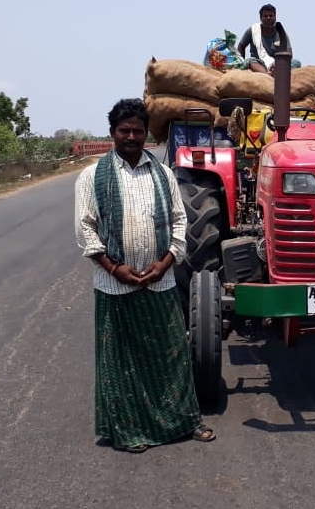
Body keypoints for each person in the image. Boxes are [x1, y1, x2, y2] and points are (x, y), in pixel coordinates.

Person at [74, 98, 215, 452]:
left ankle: (184, 421)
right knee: (122, 361)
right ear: (113, 133)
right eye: (125, 131)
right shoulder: (92, 176)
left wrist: (166, 263)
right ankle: (129, 430)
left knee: (171, 354)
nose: (132, 137)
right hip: (113, 286)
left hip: (161, 281)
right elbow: (85, 230)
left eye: (138, 130)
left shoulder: (163, 174)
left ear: (146, 133)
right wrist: (113, 268)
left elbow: (180, 222)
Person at [237, 3, 294, 75]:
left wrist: (277, 63)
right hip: (258, 63)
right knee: (250, 61)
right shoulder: (253, 30)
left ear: (275, 17)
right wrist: (241, 62)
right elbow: (241, 46)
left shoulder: (281, 32)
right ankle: (266, 74)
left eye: (271, 16)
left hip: (276, 64)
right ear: (261, 18)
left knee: (296, 62)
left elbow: (289, 52)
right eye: (265, 16)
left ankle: (275, 72)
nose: (268, 18)